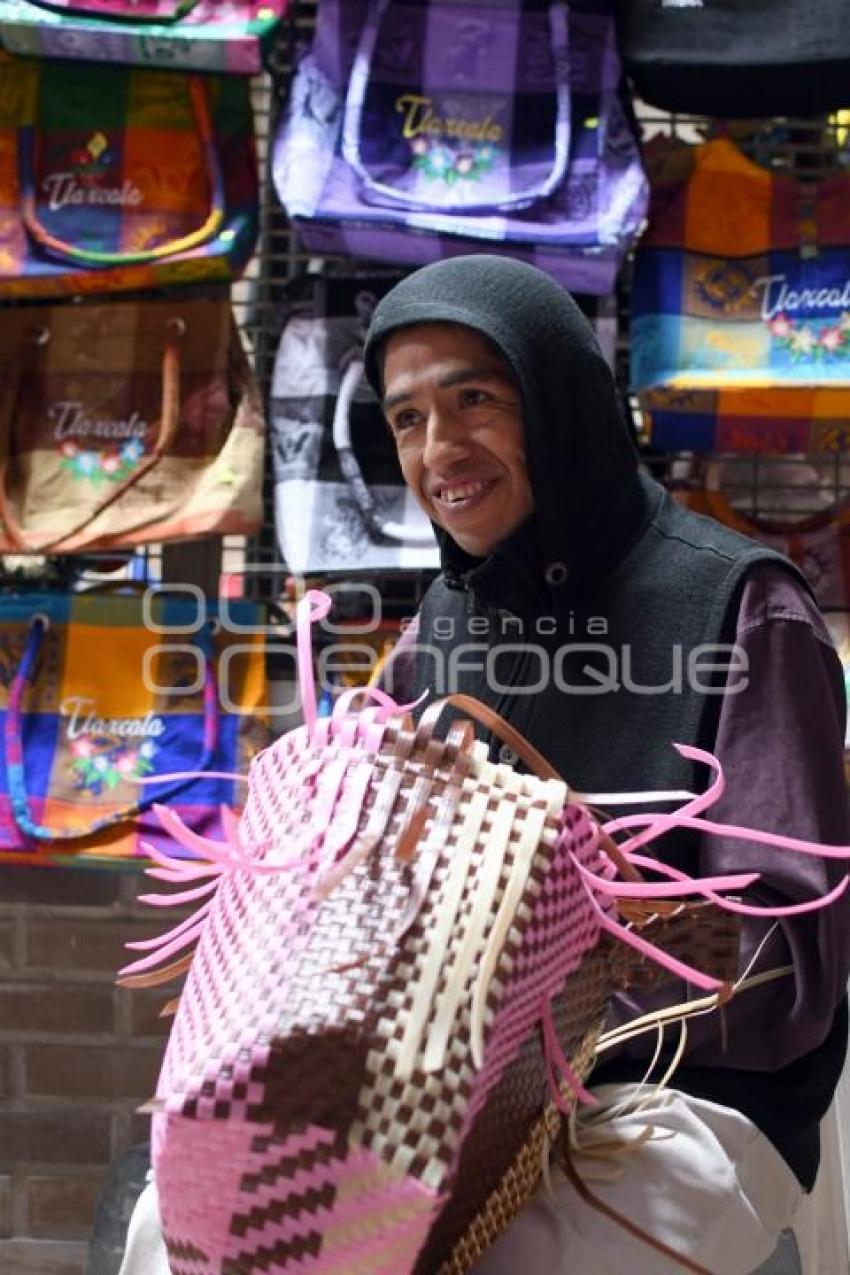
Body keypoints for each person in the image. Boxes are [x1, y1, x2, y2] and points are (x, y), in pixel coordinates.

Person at [362, 254, 850, 1274]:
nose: (439, 449)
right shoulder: (441, 628)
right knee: (187, 1227)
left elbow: (787, 960)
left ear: (562, 400)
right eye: (407, 420)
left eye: (475, 400)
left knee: (524, 1259)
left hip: (686, 1095)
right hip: (458, 1093)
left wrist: (543, 1004)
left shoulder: (738, 607)